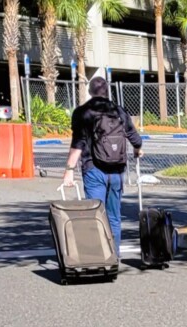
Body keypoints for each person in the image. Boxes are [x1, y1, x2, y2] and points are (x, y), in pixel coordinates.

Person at [62, 77, 143, 255]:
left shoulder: (82, 112)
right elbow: (135, 138)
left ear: (90, 92)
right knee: (114, 217)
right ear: (107, 91)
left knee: (95, 215)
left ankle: (98, 257)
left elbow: (78, 143)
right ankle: (114, 256)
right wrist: (137, 149)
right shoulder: (120, 111)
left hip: (93, 170)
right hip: (117, 172)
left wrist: (69, 171)